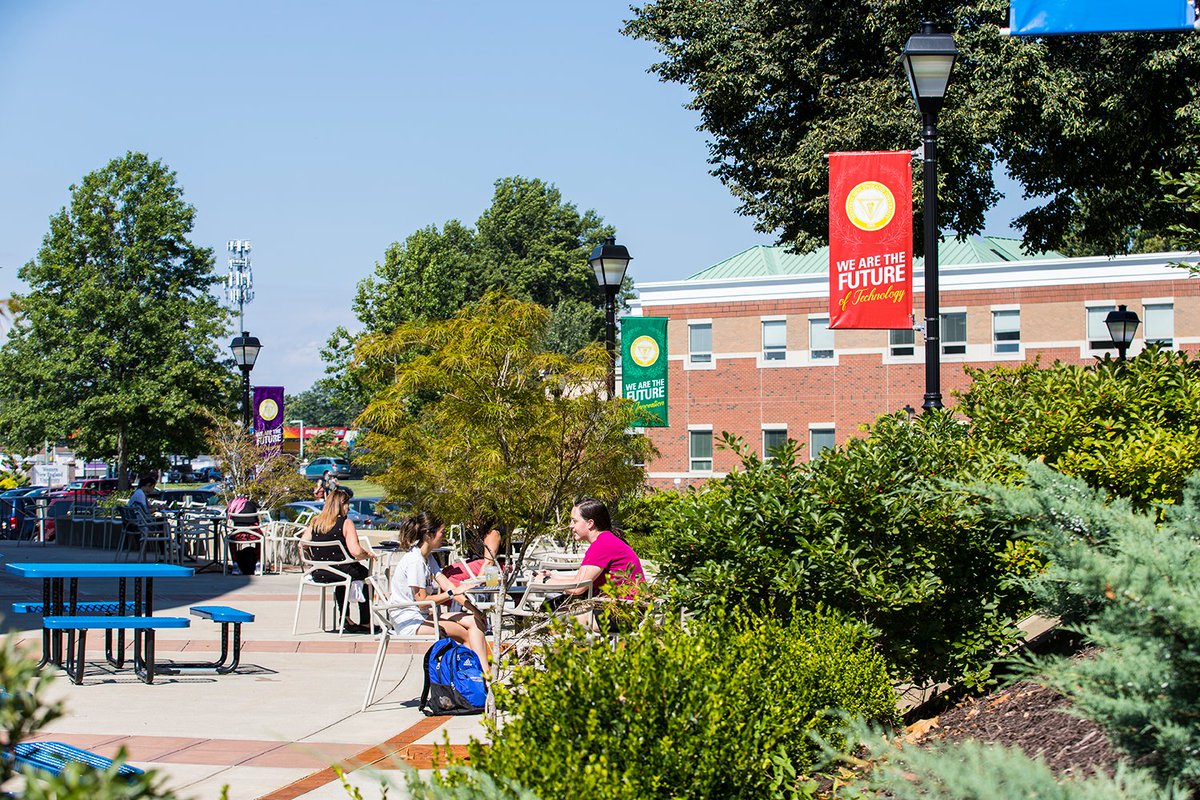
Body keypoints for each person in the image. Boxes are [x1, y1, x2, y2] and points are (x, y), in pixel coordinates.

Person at [388, 511, 489, 665]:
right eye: (442, 532)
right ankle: (471, 679)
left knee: (475, 621)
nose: (445, 536)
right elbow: (422, 602)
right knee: (465, 635)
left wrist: (474, 610)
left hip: (421, 616)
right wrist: (451, 593)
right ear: (429, 535)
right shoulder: (415, 561)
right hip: (409, 622)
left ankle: (485, 675)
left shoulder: (427, 557)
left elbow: (447, 584)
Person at [537, 498, 646, 628]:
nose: (571, 525)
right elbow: (582, 580)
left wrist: (544, 581)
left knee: (548, 617)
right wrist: (553, 576)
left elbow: (577, 588)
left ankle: (554, 648)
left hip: (620, 613)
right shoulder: (607, 539)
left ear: (590, 523)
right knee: (551, 606)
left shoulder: (602, 544)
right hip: (626, 608)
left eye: (575, 521)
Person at [299, 487, 376, 634]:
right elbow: (355, 551)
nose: (348, 508)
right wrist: (367, 554)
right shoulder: (346, 524)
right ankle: (366, 622)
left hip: (319, 572)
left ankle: (345, 618)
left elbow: (301, 544)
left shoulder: (316, 522)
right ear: (341, 505)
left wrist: (313, 560)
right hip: (341, 571)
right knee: (366, 577)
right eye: (347, 504)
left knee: (343, 576)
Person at [439, 522, 503, 587]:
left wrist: (476, 583)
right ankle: (447, 595)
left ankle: (458, 595)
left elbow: (489, 562)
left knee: (452, 576)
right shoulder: (475, 531)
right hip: (478, 562)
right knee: (445, 571)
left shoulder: (492, 533)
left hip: (494, 567)